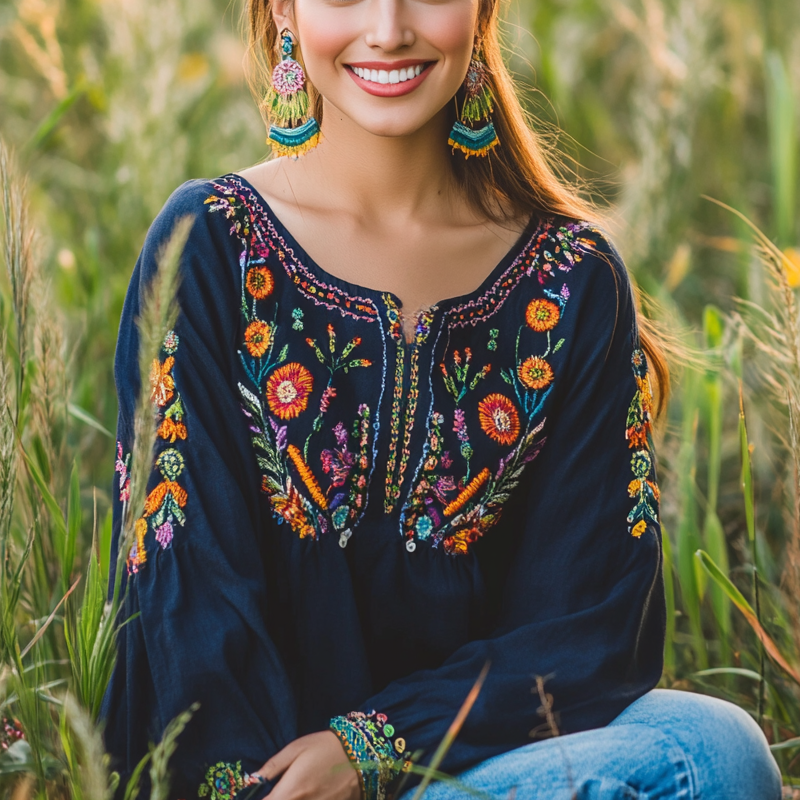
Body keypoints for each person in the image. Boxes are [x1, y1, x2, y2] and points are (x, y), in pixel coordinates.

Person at [100, 1, 782, 799]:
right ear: (283, 10)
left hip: (467, 775)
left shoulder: (571, 283)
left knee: (717, 749)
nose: (389, 29)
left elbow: (589, 630)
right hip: (261, 782)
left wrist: (372, 749)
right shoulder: (209, 244)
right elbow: (187, 607)